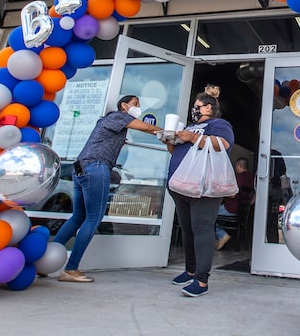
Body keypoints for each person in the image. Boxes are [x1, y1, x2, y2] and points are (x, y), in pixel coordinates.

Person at [54, 95, 162, 283]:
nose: (138, 108)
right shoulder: (119, 116)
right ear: (124, 106)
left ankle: (44, 260)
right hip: (96, 166)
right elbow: (146, 127)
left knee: (78, 217)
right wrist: (168, 133)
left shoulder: (110, 123)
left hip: (81, 167)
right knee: (93, 218)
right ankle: (71, 269)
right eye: (136, 104)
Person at [168, 85, 234, 297]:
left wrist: (192, 137)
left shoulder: (219, 124)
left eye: (197, 106)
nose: (193, 110)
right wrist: (170, 141)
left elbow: (222, 144)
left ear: (208, 108)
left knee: (202, 227)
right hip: (181, 186)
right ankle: (190, 270)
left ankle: (202, 280)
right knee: (187, 229)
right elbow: (177, 150)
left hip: (204, 187)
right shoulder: (189, 126)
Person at [214, 157, 255, 250]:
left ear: (239, 166)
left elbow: (233, 195)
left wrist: (224, 193)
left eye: (236, 166)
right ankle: (221, 239)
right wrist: (250, 203)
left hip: (231, 208)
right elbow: (256, 193)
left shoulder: (238, 177)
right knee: (217, 215)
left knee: (209, 214)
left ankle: (222, 235)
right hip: (242, 211)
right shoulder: (252, 179)